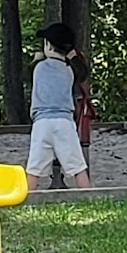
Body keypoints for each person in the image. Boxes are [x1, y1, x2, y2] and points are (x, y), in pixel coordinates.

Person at [26, 22, 92, 190]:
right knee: (78, 167)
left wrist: (36, 59)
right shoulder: (69, 70)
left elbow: (26, 76)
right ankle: (88, 195)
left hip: (42, 123)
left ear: (48, 46)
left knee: (34, 168)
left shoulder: (38, 68)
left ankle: (26, 198)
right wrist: (73, 57)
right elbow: (83, 74)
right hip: (64, 122)